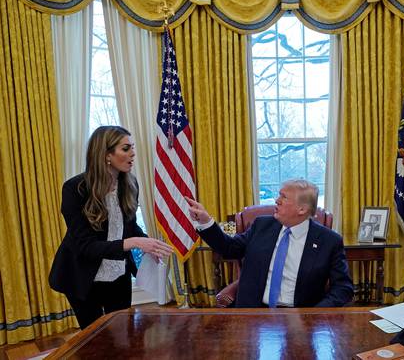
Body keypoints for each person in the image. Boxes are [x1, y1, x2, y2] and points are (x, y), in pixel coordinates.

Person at [49, 126, 173, 329]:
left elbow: (130, 227)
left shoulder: (130, 183)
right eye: (126, 148)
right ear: (106, 154)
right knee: (94, 338)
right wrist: (134, 242)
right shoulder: (74, 189)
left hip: (118, 273)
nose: (133, 153)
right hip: (82, 275)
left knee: (123, 332)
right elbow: (86, 247)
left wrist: (148, 245)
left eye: (132, 147)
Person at [186, 179, 353, 308]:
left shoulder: (329, 241)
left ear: (302, 210)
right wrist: (206, 222)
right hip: (254, 313)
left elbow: (343, 289)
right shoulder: (261, 226)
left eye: (283, 197)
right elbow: (229, 248)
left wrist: (314, 315)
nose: (276, 200)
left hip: (300, 317)